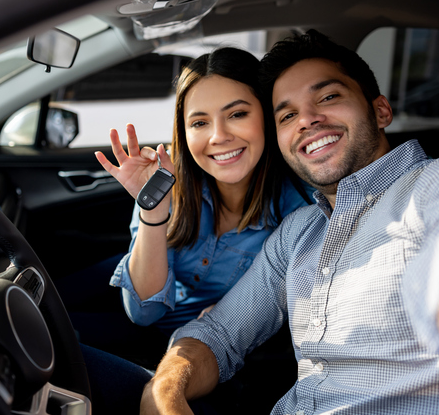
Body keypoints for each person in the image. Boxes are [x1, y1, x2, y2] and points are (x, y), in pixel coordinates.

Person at [83, 29, 439, 415]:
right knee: (64, 357)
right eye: (287, 115)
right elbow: (219, 334)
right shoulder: (300, 232)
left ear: (380, 110)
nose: (306, 120)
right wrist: (164, 389)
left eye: (328, 97)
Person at [92, 47, 313, 364]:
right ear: (183, 131)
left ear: (266, 114)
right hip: (154, 330)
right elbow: (143, 312)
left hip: (206, 358)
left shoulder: (299, 212)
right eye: (199, 123)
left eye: (237, 115)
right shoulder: (166, 182)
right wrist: (153, 210)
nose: (218, 136)